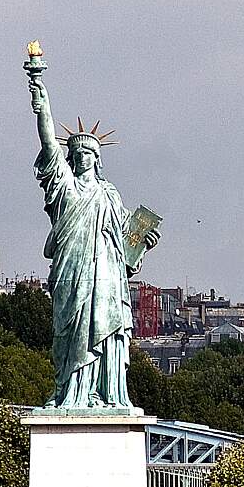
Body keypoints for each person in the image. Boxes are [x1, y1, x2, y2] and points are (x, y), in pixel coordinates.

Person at [27, 52, 159, 409]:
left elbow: (125, 248)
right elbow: (48, 141)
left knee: (107, 330)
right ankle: (71, 393)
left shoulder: (111, 195)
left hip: (106, 276)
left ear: (98, 158)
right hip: (72, 273)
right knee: (70, 336)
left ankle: (107, 393)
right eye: (77, 152)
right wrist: (41, 101)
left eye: (89, 152)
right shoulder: (65, 188)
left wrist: (142, 242)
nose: (82, 156)